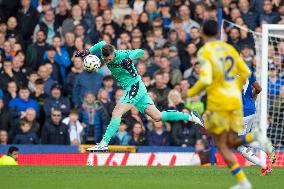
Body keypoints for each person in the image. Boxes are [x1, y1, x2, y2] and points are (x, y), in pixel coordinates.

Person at [187, 20, 273, 189]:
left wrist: (190, 94)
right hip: (248, 109)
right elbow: (259, 88)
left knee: (230, 144)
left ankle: (257, 150)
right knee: (229, 142)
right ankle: (253, 173)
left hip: (234, 108)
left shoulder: (212, 58)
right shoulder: (243, 67)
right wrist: (252, 98)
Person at [75, 41, 203, 151]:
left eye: (110, 59)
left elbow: (141, 51)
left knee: (116, 113)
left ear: (114, 52)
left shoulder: (122, 54)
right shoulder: (104, 56)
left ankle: (103, 144)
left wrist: (129, 58)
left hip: (134, 86)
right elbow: (102, 43)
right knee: (157, 116)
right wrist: (88, 50)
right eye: (106, 59)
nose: (108, 61)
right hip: (135, 88)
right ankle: (191, 117)